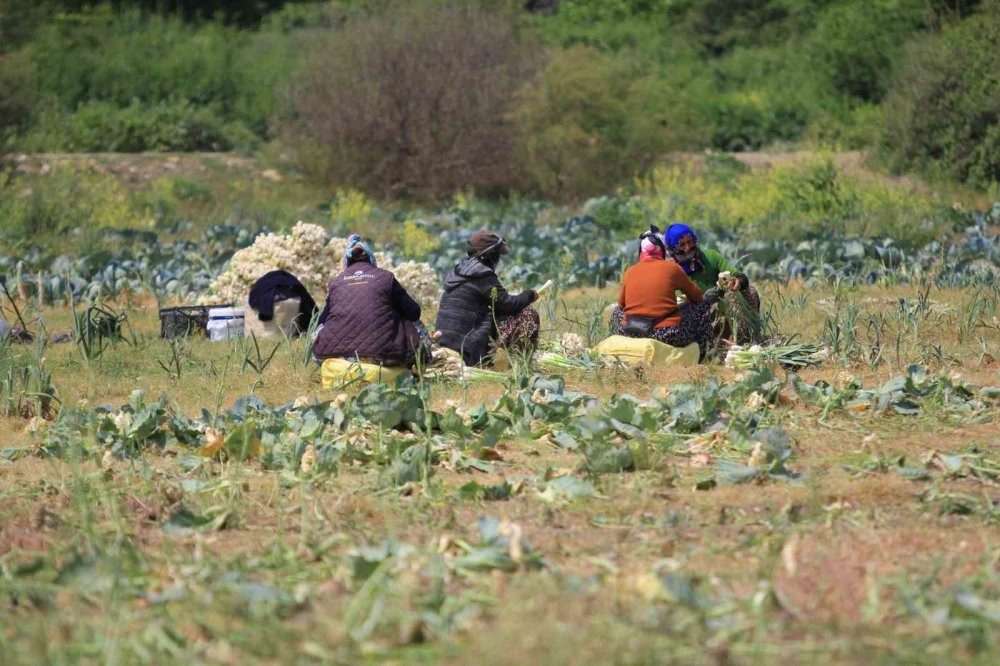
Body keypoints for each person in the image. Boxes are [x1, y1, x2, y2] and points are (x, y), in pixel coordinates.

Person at [312, 235, 429, 367]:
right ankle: (421, 360)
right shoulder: (386, 277)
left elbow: (321, 322)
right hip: (384, 356)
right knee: (415, 323)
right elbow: (414, 312)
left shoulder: (336, 282)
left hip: (333, 356)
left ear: (346, 262)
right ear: (371, 258)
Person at [610, 226, 722, 358]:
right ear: (662, 250)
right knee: (702, 305)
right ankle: (704, 351)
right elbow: (697, 297)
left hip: (632, 332)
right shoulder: (672, 268)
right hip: (666, 334)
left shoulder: (630, 271)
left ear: (641, 251)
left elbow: (621, 305)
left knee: (616, 312)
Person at [435, 229, 539, 367]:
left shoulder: (457, 271)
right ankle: (520, 363)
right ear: (489, 255)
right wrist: (529, 295)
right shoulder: (482, 274)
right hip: (467, 350)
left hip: (443, 341)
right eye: (497, 254)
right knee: (528, 313)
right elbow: (508, 305)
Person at [663, 223, 763, 344]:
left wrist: (737, 281)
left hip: (721, 315)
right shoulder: (669, 271)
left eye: (690, 242)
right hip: (693, 321)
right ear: (672, 248)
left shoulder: (710, 257)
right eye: (682, 244)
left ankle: (748, 339)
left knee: (749, 291)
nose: (687, 247)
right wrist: (703, 301)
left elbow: (739, 276)